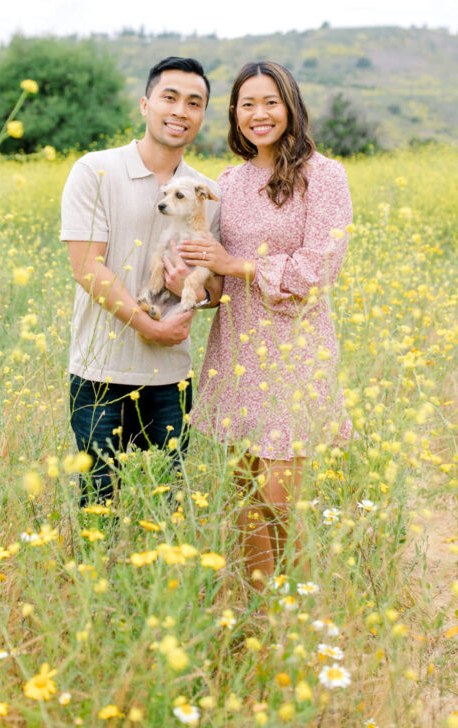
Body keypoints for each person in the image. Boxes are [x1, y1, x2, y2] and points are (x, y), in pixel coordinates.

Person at [178, 60, 353, 586]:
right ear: (234, 114)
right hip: (237, 345)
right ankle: (259, 610)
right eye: (247, 104)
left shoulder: (324, 175)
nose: (259, 114)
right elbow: (217, 273)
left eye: (270, 102)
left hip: (295, 346)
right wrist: (192, 279)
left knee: (282, 497)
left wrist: (237, 265)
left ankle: (300, 616)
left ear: (290, 106)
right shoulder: (227, 182)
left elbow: (322, 265)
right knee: (246, 495)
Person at [60, 57, 220, 502]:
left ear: (202, 116)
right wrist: (152, 327)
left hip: (171, 378)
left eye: (194, 103)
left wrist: (196, 288)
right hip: (100, 373)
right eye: (169, 97)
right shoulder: (95, 171)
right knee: (99, 508)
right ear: (145, 104)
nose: (180, 111)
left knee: (168, 507)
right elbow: (87, 268)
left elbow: (216, 289)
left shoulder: (207, 192)